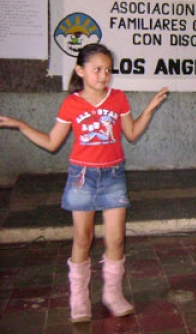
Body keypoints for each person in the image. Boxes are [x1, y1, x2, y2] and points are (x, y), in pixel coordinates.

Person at [0, 43, 169, 322]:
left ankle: (112, 294)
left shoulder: (118, 98)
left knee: (116, 238)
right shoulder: (72, 103)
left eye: (108, 70)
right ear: (81, 70)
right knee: (83, 238)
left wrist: (149, 108)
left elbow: (132, 134)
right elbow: (53, 143)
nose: (104, 75)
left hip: (113, 176)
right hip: (82, 176)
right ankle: (78, 298)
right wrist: (21, 125)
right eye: (97, 69)